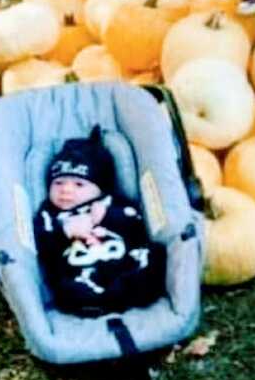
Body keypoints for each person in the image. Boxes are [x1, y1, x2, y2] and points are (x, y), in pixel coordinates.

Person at [34, 127, 165, 316]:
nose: (66, 190)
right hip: (80, 268)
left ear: (100, 188)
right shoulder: (49, 214)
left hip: (122, 258)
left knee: (154, 254)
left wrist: (109, 216)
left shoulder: (112, 203)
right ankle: (95, 302)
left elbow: (137, 227)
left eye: (79, 184)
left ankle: (130, 290)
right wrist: (64, 231)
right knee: (67, 283)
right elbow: (40, 244)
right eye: (58, 183)